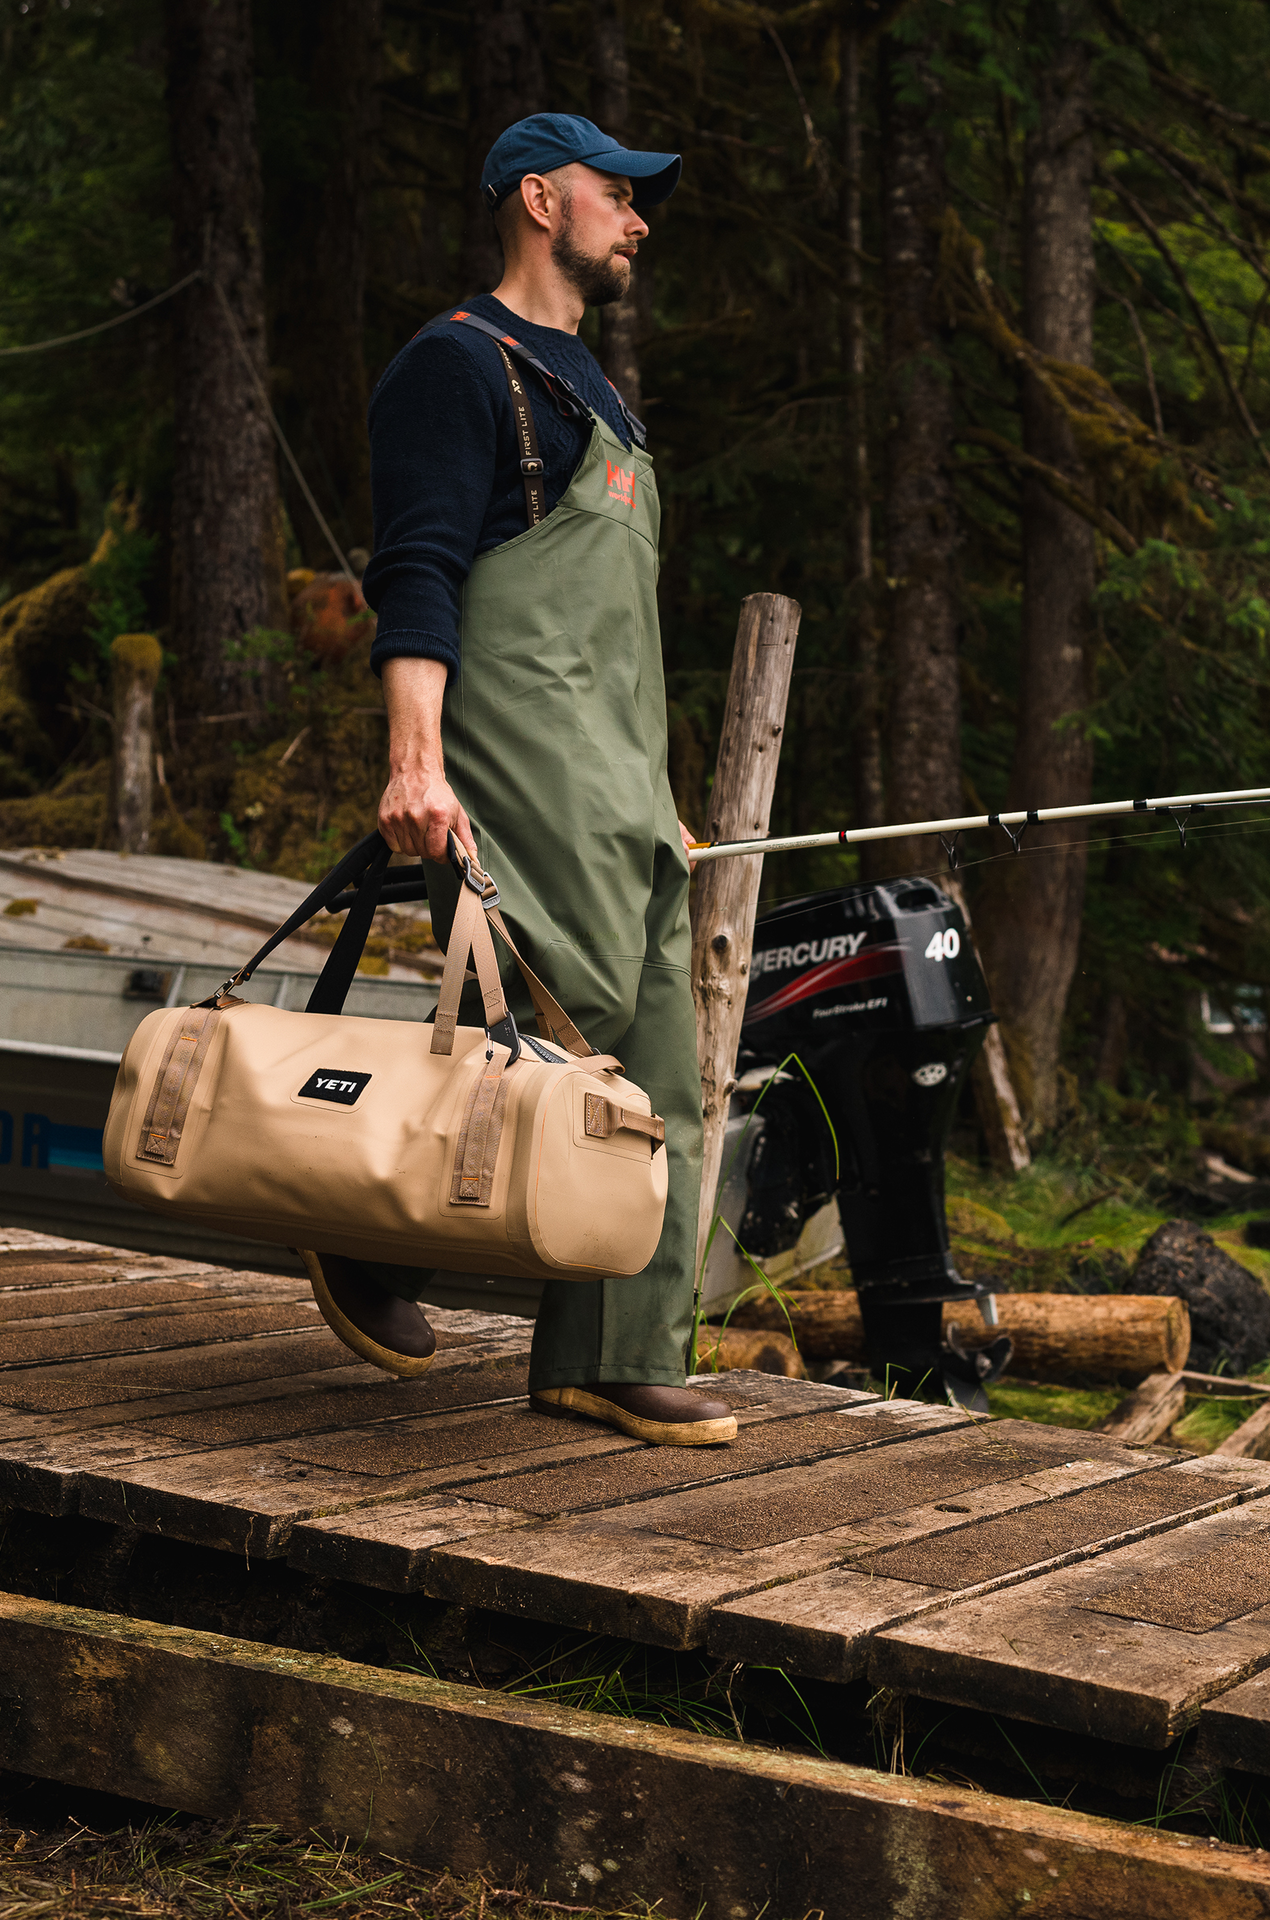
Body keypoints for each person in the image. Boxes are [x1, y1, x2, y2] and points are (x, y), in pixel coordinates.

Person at [298, 113, 735, 1450]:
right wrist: (413, 761)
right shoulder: (454, 365)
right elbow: (417, 574)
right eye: (620, 195)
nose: (639, 220)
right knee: (564, 1025)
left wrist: (656, 792)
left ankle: (610, 1353)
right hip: (511, 768)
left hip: (621, 791)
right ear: (540, 200)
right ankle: (374, 1241)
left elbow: (616, 634)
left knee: (665, 1068)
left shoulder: (601, 399)